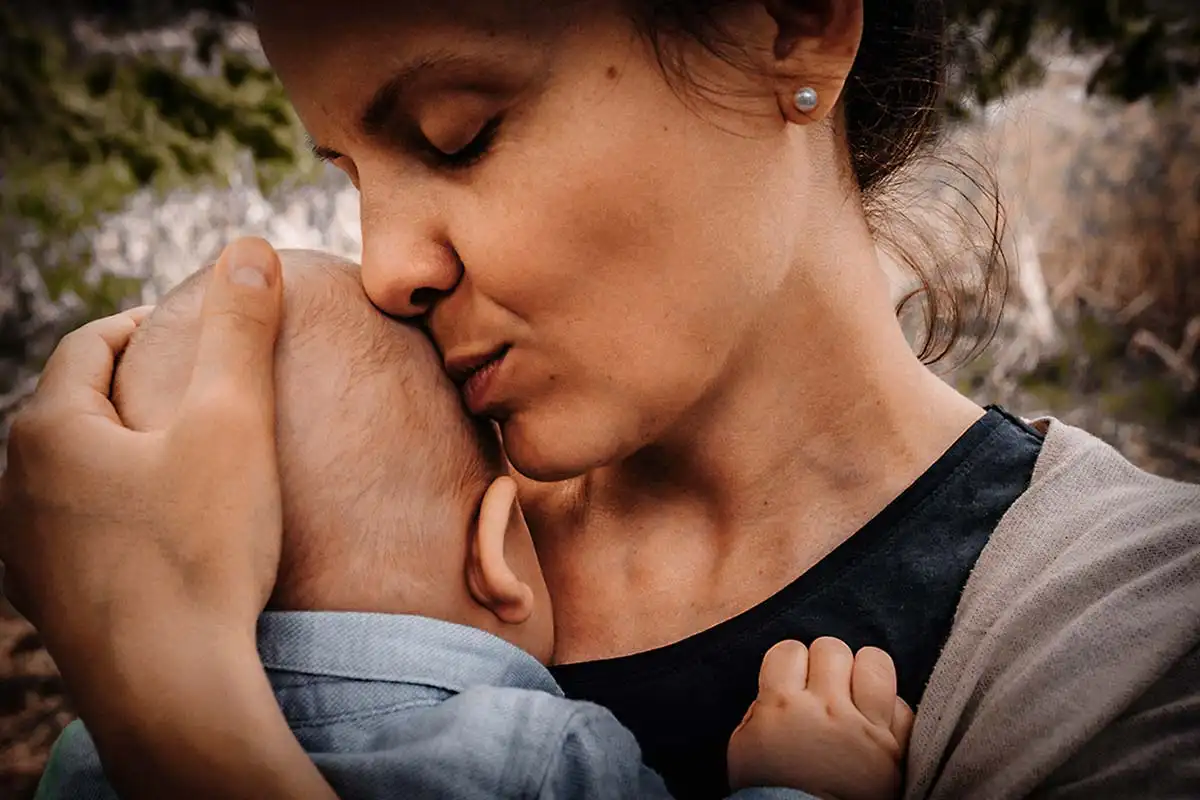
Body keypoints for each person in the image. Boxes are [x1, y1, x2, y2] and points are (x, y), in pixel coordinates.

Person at [1, 1, 1197, 799]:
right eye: (354, 174)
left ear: (790, 22)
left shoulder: (1126, 623)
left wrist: (169, 698)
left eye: (457, 135)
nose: (385, 266)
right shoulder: (357, 520)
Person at [35, 252, 909, 800]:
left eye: (462, 136)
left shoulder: (89, 753)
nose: (392, 263)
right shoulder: (527, 756)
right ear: (497, 550)